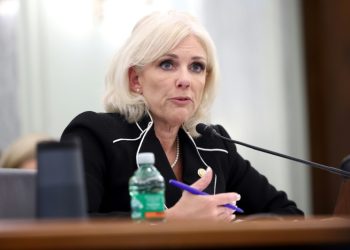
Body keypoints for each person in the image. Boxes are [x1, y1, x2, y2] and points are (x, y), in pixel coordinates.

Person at [61, 10, 303, 221]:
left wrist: (231, 228)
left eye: (196, 67)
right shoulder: (95, 134)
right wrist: (168, 221)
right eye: (167, 64)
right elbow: (69, 229)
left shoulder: (214, 144)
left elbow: (288, 215)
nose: (185, 80)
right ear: (136, 80)